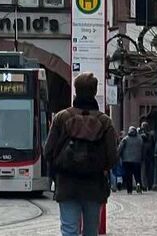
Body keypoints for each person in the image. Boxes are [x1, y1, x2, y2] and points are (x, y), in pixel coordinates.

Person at [43, 72, 118, 236]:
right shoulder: (105, 121)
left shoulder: (62, 118)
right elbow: (112, 157)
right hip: (94, 185)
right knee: (91, 231)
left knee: (69, 229)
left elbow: (47, 151)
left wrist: (57, 168)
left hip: (67, 183)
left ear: (76, 90)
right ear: (94, 91)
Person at [118, 125, 145, 193]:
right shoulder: (140, 139)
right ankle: (138, 184)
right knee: (137, 175)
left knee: (128, 175)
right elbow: (143, 148)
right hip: (137, 160)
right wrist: (141, 157)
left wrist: (119, 155)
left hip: (127, 160)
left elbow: (120, 148)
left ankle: (129, 190)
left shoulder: (125, 139)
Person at [139, 120, 155, 190]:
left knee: (144, 171)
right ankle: (149, 185)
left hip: (144, 155)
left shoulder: (141, 135)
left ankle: (145, 185)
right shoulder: (151, 134)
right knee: (149, 171)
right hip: (149, 155)